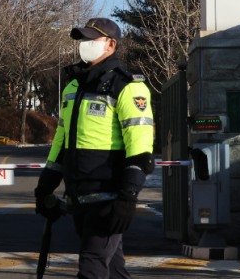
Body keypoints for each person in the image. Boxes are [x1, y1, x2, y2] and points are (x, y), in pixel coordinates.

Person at [34, 17, 154, 279]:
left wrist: (128, 197)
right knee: (113, 269)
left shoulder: (128, 86)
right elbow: (61, 142)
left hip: (108, 198)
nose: (84, 44)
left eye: (91, 39)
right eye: (82, 39)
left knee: (92, 268)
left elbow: (140, 147)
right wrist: (45, 186)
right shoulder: (74, 86)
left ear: (111, 44)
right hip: (79, 197)